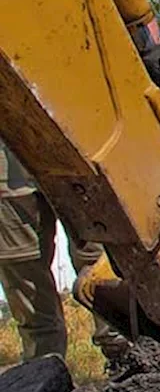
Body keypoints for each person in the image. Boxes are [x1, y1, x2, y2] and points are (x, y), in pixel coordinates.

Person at [0, 138, 129, 362]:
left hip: (77, 141)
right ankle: (43, 372)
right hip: (7, 156)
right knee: (23, 267)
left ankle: (124, 355)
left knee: (100, 254)